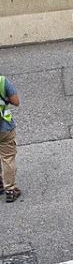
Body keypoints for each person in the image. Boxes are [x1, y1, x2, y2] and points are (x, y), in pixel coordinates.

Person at [0, 73, 19, 203]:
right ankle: (10, 189)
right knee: (7, 157)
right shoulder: (2, 81)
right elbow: (16, 102)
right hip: (4, 127)